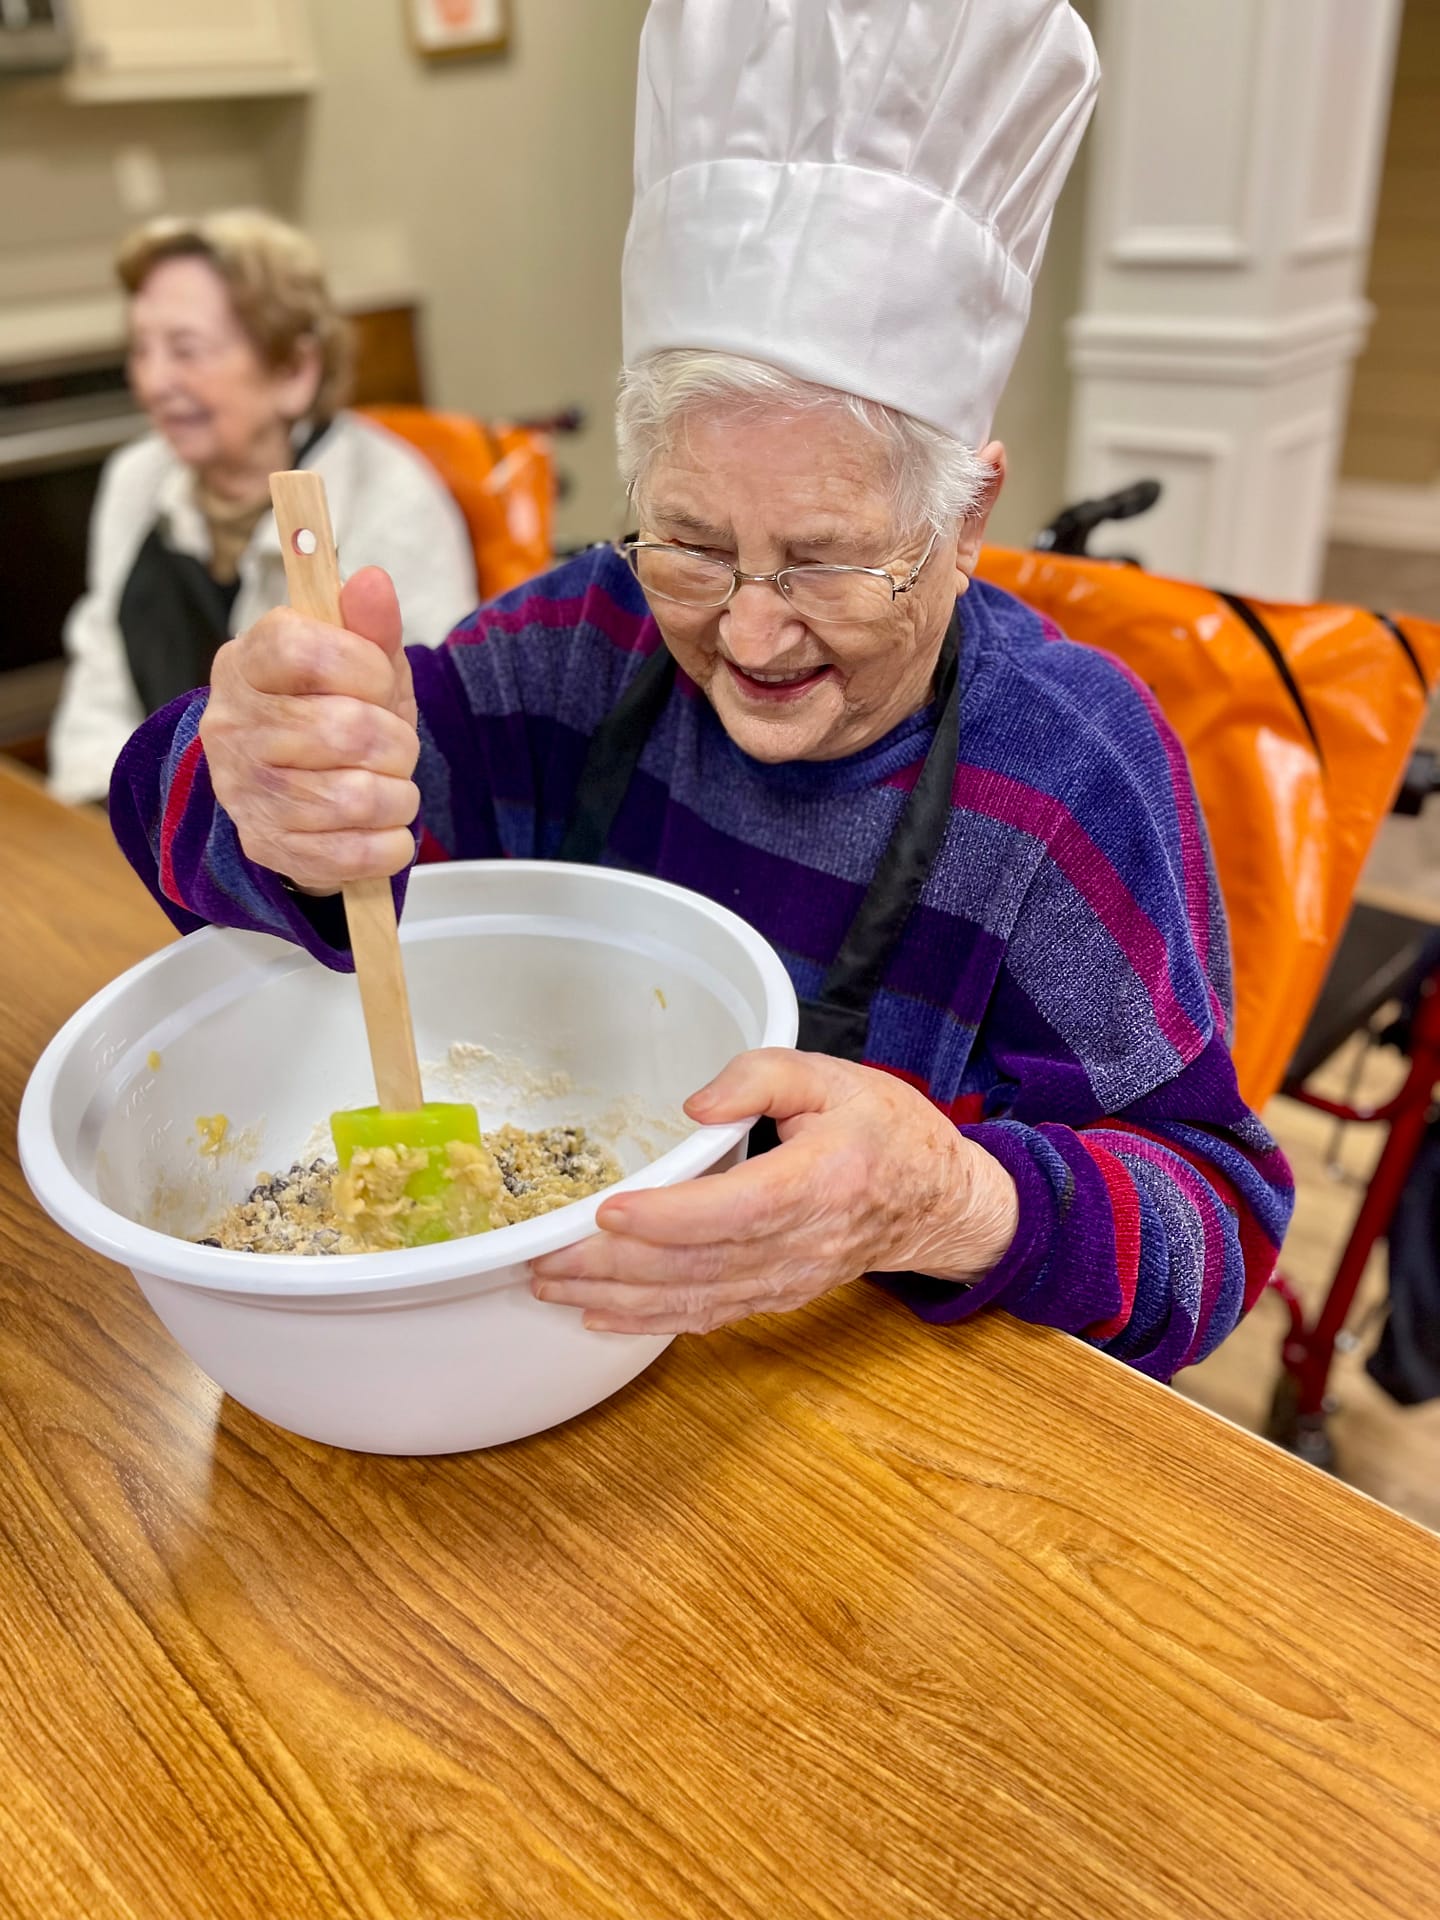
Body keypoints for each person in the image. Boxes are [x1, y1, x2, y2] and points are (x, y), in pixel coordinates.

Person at [110, 0, 1292, 1378]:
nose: (750, 631)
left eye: (827, 561)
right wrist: (262, 782)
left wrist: (951, 1196)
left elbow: (1217, 1227)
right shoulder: (578, 650)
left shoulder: (1068, 771)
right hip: (540, 1359)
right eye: (691, 543)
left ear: (967, 522)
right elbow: (207, 832)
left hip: (886, 1434)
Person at [47, 209, 476, 805]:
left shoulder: (393, 498)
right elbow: (102, 686)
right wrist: (104, 817)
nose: (152, 382)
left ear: (294, 370)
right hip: (148, 834)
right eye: (140, 349)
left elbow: (424, 743)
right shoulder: (136, 478)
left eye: (185, 350)